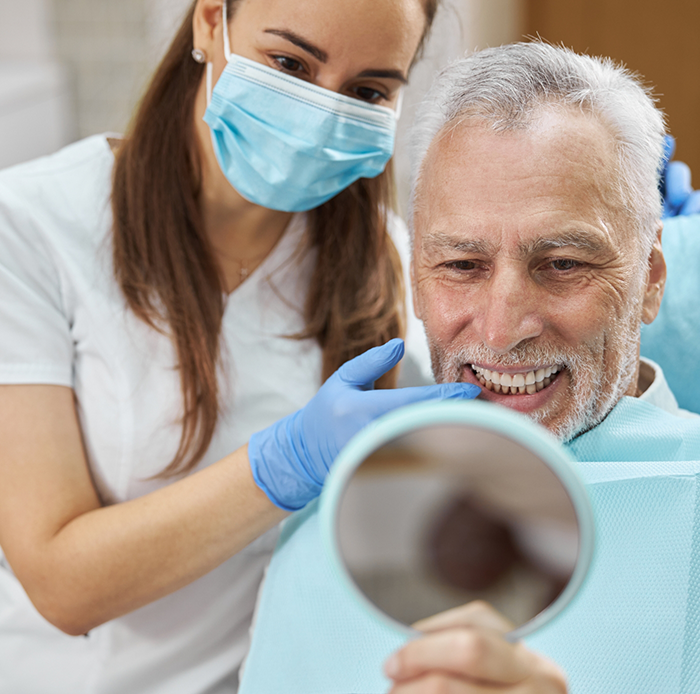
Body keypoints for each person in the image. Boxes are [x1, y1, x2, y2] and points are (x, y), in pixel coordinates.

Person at [0, 1, 493, 692]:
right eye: (290, 64)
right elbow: (60, 584)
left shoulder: (384, 260)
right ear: (209, 23)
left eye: (368, 92)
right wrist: (279, 466)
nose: (323, 114)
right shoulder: (30, 227)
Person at [235, 42, 700, 694]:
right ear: (416, 283)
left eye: (563, 263)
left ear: (650, 278)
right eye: (462, 266)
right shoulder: (334, 534)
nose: (502, 328)